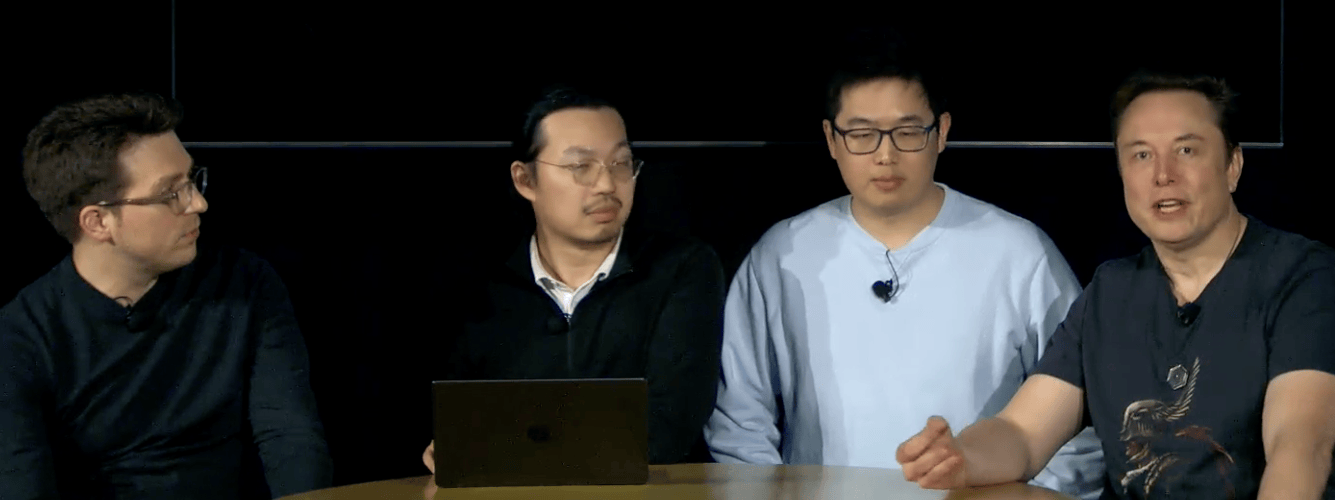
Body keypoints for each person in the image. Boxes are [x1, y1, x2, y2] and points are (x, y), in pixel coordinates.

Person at [897, 73, 1335, 499]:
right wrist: (960, 457)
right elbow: (1021, 434)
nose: (1163, 175)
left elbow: (1300, 450)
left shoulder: (1305, 277)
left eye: (1186, 150)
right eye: (1141, 155)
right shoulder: (1112, 291)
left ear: (1233, 165)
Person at [706, 41, 1105, 498]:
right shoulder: (782, 255)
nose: (885, 155)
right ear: (831, 139)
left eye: (907, 132)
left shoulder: (1019, 253)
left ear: (942, 131)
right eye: (862, 134)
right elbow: (739, 422)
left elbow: (1083, 414)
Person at [0, 92, 333, 499]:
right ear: (98, 222)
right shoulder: (13, 348)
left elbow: (291, 438)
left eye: (192, 180)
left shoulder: (245, 284)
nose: (199, 203)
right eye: (171, 193)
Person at [422, 87, 725, 474]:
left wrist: (507, 448)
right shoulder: (477, 286)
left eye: (621, 163)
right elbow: (455, 426)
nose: (607, 184)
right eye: (581, 166)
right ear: (525, 180)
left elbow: (667, 428)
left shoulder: (680, 269)